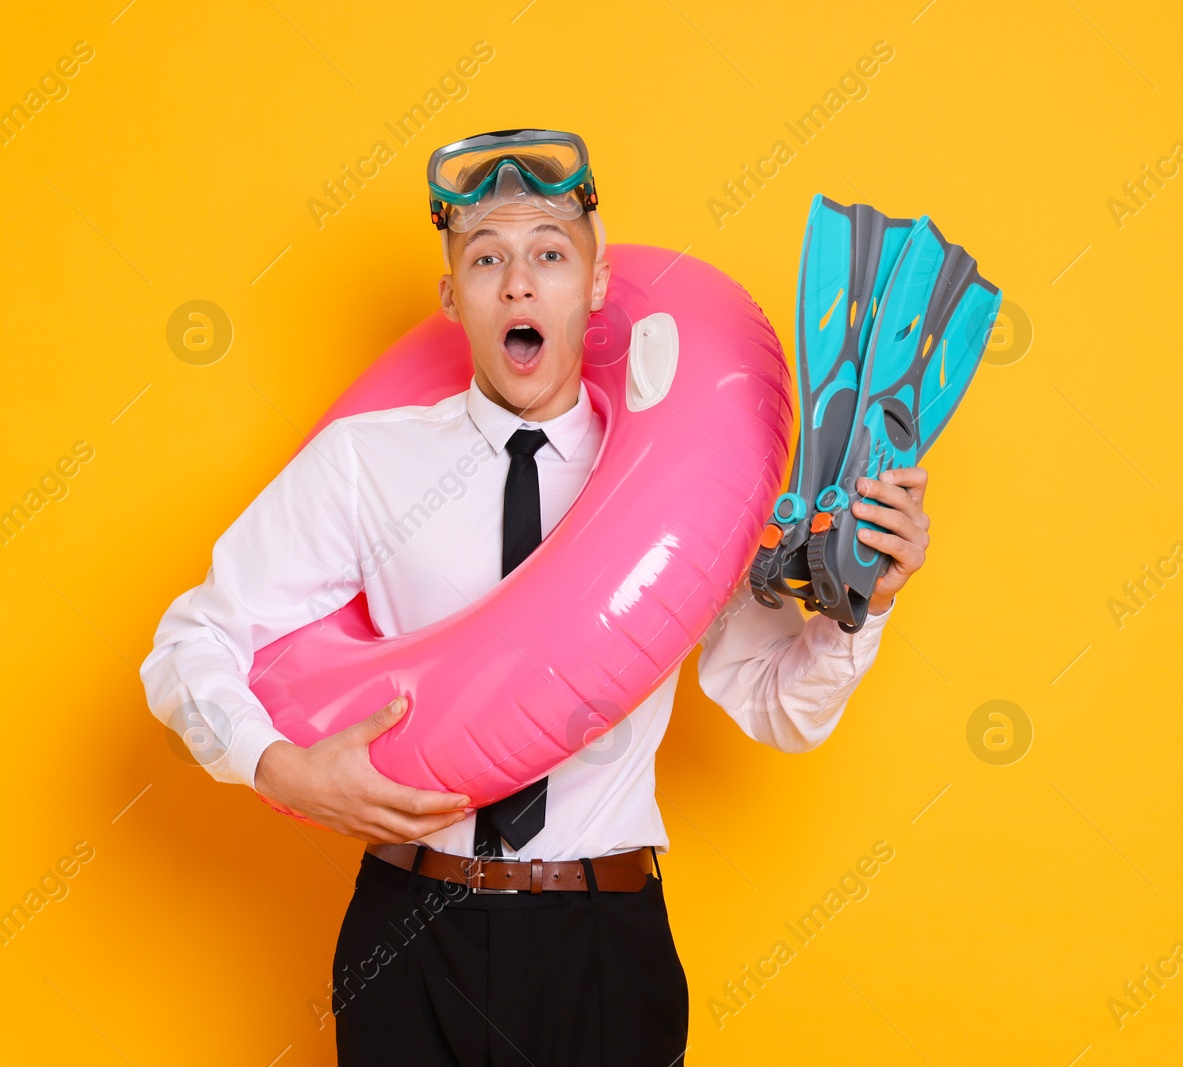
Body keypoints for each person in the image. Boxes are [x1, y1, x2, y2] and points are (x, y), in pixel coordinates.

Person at [139, 128, 935, 1066]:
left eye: (550, 255)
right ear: (453, 299)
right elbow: (193, 638)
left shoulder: (686, 490)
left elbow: (774, 705)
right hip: (410, 930)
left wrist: (862, 606)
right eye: (488, 260)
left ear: (596, 285)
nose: (519, 284)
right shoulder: (369, 463)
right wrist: (278, 766)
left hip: (601, 938)